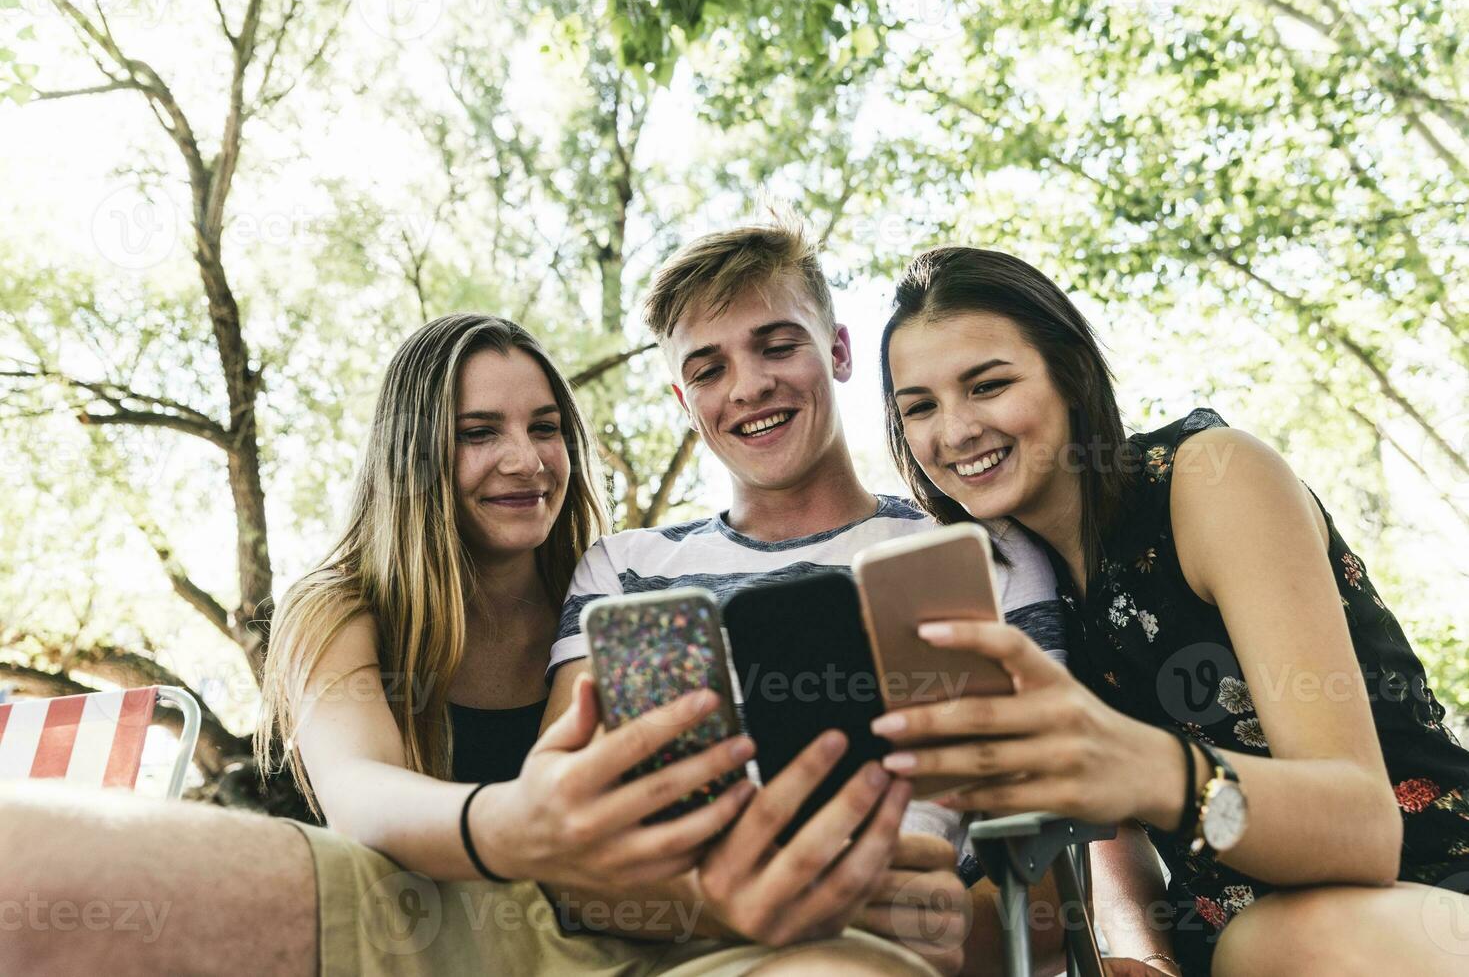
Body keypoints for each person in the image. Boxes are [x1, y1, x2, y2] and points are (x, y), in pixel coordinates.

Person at [0, 313, 904, 976]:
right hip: (415, 921)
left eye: (544, 428)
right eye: (478, 434)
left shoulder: (615, 593)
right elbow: (359, 793)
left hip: (626, 938)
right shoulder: (343, 605)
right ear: (414, 453)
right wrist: (515, 825)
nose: (525, 461)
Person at [872, 246, 1469, 976]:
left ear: (1071, 373)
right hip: (1228, 947)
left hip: (1419, 895)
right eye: (920, 408)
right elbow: (1114, 845)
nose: (955, 430)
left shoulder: (1211, 480)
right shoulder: (1011, 590)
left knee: (1266, 944)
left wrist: (1145, 768)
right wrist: (1149, 961)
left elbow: (1362, 829)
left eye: (987, 385)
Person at [539, 217, 1079, 977]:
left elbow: (1053, 897)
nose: (749, 386)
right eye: (706, 368)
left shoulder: (978, 556)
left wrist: (958, 927)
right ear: (681, 400)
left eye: (776, 345)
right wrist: (743, 902)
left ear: (839, 351)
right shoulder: (622, 573)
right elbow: (556, 849)